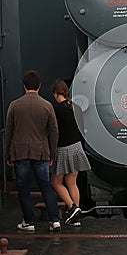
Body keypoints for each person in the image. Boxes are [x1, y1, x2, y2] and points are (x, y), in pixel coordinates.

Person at [5, 70, 61, 232]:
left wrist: (7, 154)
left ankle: (29, 222)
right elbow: (53, 132)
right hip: (42, 152)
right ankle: (55, 220)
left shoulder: (15, 105)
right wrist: (52, 153)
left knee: (23, 187)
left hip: (20, 152)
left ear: (24, 86)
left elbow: (9, 132)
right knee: (45, 186)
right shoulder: (47, 106)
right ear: (39, 86)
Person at [51, 79, 91, 227]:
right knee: (72, 182)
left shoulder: (56, 109)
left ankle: (72, 207)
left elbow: (54, 132)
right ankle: (76, 217)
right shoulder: (77, 107)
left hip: (64, 149)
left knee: (56, 182)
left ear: (55, 94)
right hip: (77, 147)